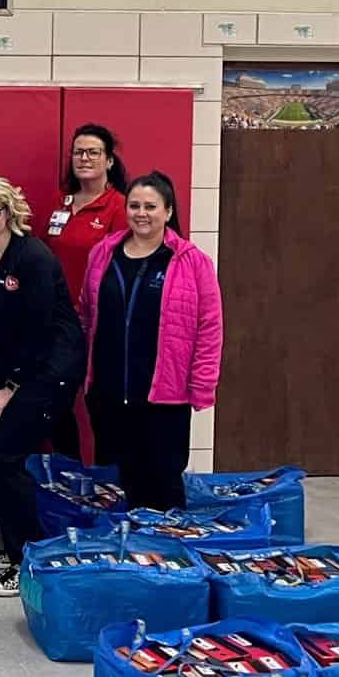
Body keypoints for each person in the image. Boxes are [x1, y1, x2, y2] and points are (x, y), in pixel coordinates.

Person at [0, 177, 85, 600]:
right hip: (8, 373)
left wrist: (9, 386)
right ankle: (19, 544)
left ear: (10, 212)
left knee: (5, 457)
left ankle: (25, 559)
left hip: (48, 372)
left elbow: (38, 332)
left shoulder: (32, 258)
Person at [78, 172, 222, 514]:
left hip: (164, 396)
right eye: (134, 205)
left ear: (169, 212)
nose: (141, 213)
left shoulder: (191, 261)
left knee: (161, 483)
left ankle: (166, 557)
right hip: (108, 393)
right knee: (115, 487)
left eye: (151, 206)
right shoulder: (103, 253)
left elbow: (210, 327)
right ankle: (121, 557)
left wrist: (202, 385)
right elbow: (85, 313)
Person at [47, 124, 130, 297]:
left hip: (93, 311)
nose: (84, 158)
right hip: (55, 308)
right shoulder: (59, 201)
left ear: (109, 161)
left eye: (93, 152)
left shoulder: (119, 206)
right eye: (78, 152)